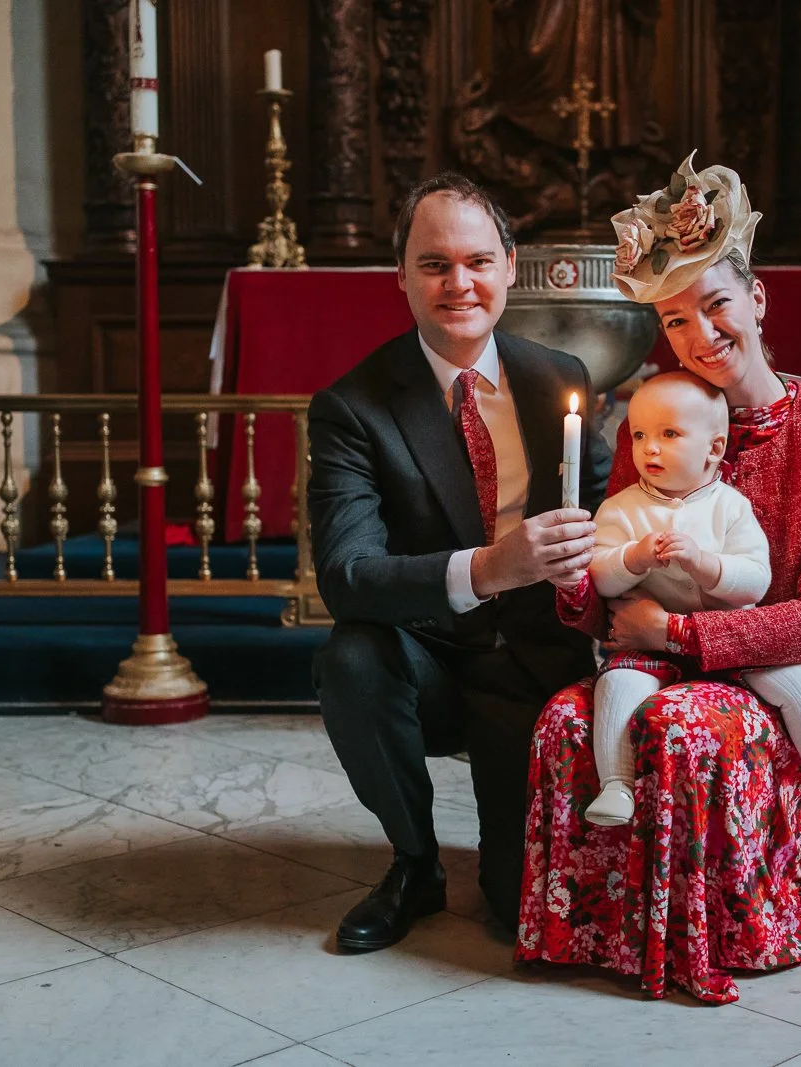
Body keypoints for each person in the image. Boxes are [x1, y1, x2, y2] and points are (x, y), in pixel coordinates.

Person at [516, 152, 801, 1003]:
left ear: (757, 299)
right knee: (566, 718)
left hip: (787, 680)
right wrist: (582, 576)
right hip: (652, 663)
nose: (701, 336)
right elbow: (602, 607)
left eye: (717, 305)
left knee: (689, 724)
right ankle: (595, 931)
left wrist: (681, 634)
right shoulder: (658, 422)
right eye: (678, 321)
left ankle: (703, 933)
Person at [307, 172, 612, 951]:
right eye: (435, 263)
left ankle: (508, 848)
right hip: (434, 658)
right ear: (401, 276)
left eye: (477, 261)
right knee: (351, 655)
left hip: (543, 663)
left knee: (517, 911)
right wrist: (487, 568)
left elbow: (611, 508)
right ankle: (414, 861)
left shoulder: (560, 379)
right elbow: (346, 576)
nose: (459, 283)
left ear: (511, 265)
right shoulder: (353, 406)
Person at [578, 370, 801, 827]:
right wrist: (633, 558)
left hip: (735, 639)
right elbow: (600, 576)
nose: (650, 448)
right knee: (616, 687)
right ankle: (616, 785)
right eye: (640, 435)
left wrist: (706, 564)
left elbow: (755, 580)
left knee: (793, 679)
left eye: (669, 434)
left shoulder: (730, 505)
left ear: (714, 449)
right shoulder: (621, 508)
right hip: (647, 643)